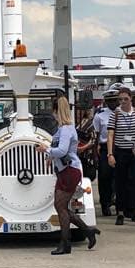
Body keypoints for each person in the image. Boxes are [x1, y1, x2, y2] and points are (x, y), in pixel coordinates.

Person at [36, 97, 99, 255]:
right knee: (61, 207)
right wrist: (51, 156)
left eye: (54, 111)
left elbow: (62, 151)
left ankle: (66, 243)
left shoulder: (64, 130)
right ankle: (85, 232)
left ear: (57, 111)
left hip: (69, 170)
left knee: (61, 207)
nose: (53, 115)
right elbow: (60, 148)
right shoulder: (64, 129)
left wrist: (46, 150)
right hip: (66, 170)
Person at [107, 87, 135, 226]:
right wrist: (110, 154)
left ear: (131, 98)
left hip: (134, 152)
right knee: (120, 183)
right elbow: (111, 135)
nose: (123, 102)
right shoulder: (116, 114)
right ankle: (120, 213)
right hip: (120, 152)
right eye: (120, 99)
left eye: (125, 99)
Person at [92, 92, 117, 215]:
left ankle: (120, 205)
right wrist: (95, 156)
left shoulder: (122, 113)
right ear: (106, 102)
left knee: (119, 178)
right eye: (110, 101)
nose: (113, 103)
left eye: (114, 100)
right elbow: (96, 136)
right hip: (105, 148)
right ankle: (105, 204)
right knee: (104, 178)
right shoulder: (100, 116)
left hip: (119, 148)